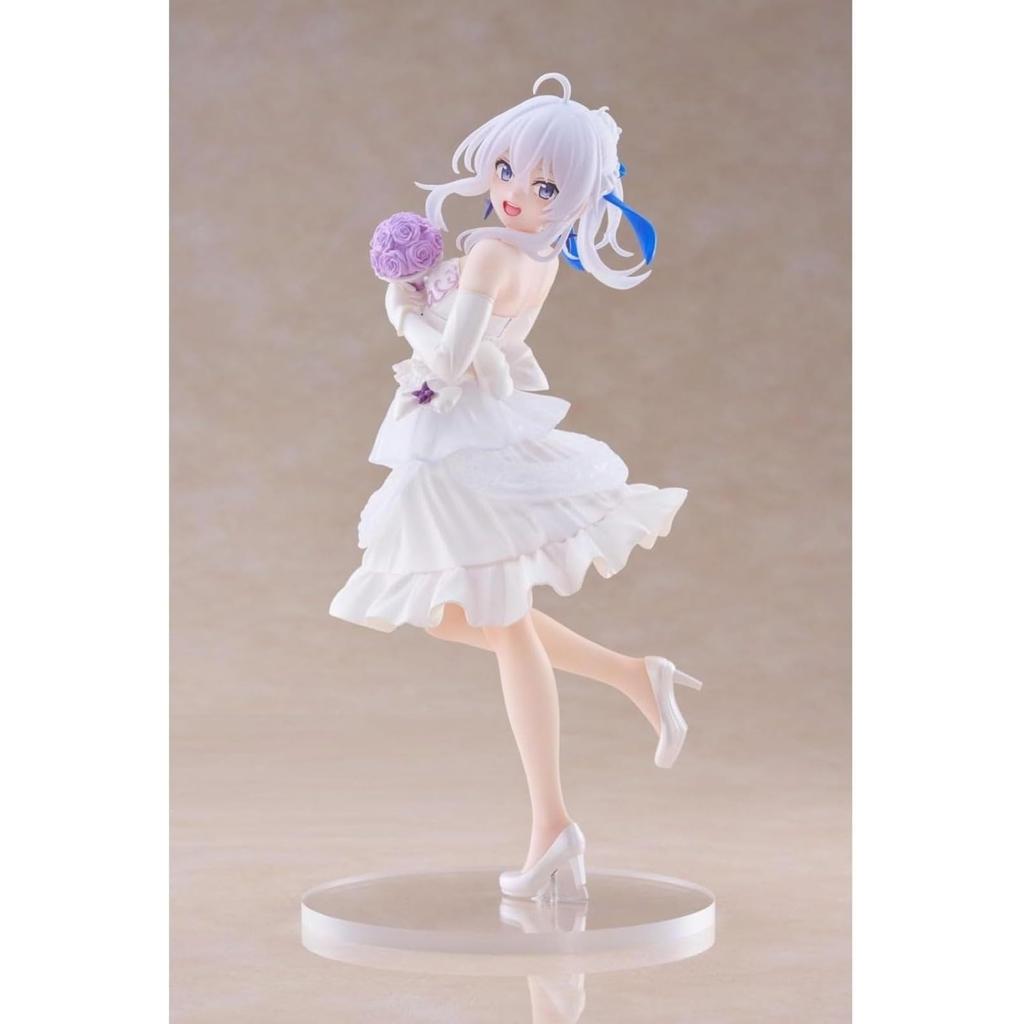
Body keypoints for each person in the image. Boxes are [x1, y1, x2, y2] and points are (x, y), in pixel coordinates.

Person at [330, 73, 703, 903]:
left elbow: (451, 359)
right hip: (476, 431)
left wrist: (398, 309)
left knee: (493, 619)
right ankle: (632, 676)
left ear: (575, 200)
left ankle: (552, 828)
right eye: (506, 171)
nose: (515, 194)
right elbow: (485, 349)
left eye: (544, 188)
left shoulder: (498, 252)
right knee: (465, 615)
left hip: (463, 444)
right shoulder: (534, 254)